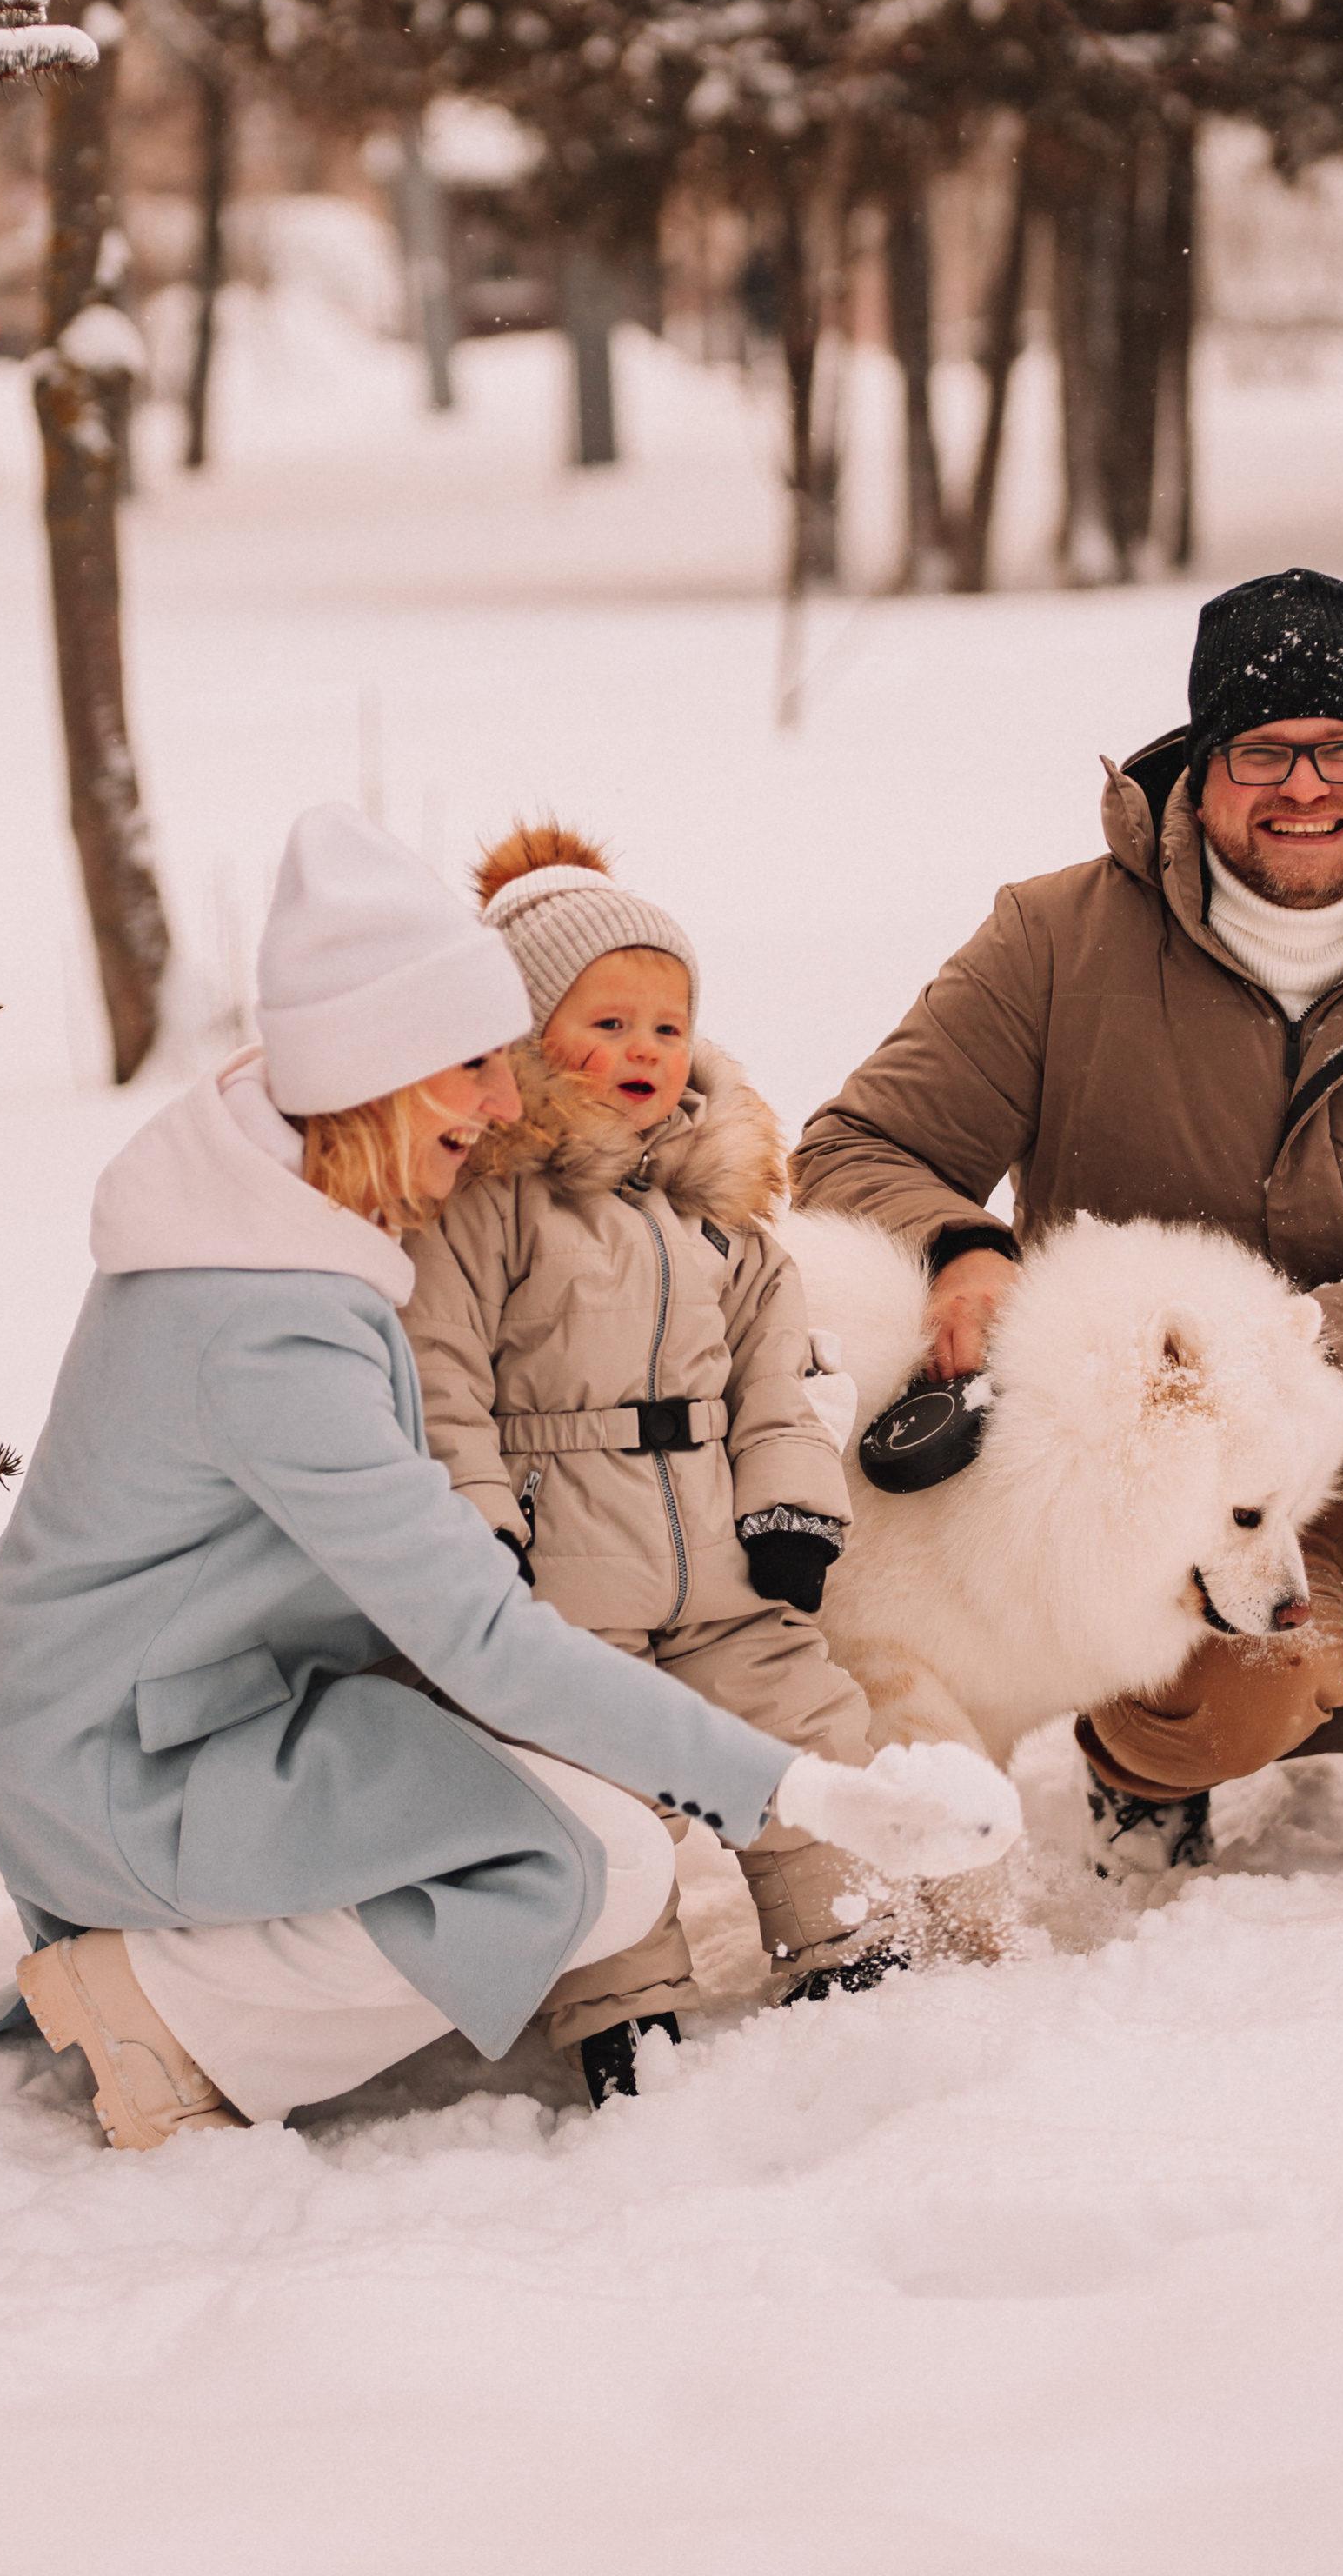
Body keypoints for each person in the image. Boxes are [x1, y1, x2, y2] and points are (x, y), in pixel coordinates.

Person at [0, 802, 1014, 2150]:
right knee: (602, 1863)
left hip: (214, 1705)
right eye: (476, 1064)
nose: (513, 1102)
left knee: (565, 1828)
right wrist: (803, 1790)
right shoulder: (263, 1319)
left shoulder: (285, 1196)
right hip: (124, 1761)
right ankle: (162, 2006)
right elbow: (484, 1635)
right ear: (378, 1072)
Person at [791, 568, 1343, 1875]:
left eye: (1340, 750)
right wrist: (966, 1248)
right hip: (1167, 1464)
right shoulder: (1055, 939)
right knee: (1231, 1695)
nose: (1302, 787)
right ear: (1201, 771)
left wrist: (1286, 1348)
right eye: (1261, 752)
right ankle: (1150, 1776)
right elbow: (858, 1148)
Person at [402, 825, 884, 2102]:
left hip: (721, 1563)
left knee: (808, 1728)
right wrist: (478, 1528)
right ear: (520, 1041)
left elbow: (778, 1376)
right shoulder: (490, 1204)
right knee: (591, 1787)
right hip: (565, 1587)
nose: (639, 1054)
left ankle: (850, 1945)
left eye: (664, 1028)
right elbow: (439, 1379)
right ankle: (624, 2011)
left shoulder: (717, 1214)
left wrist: (791, 1508)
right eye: (603, 1024)